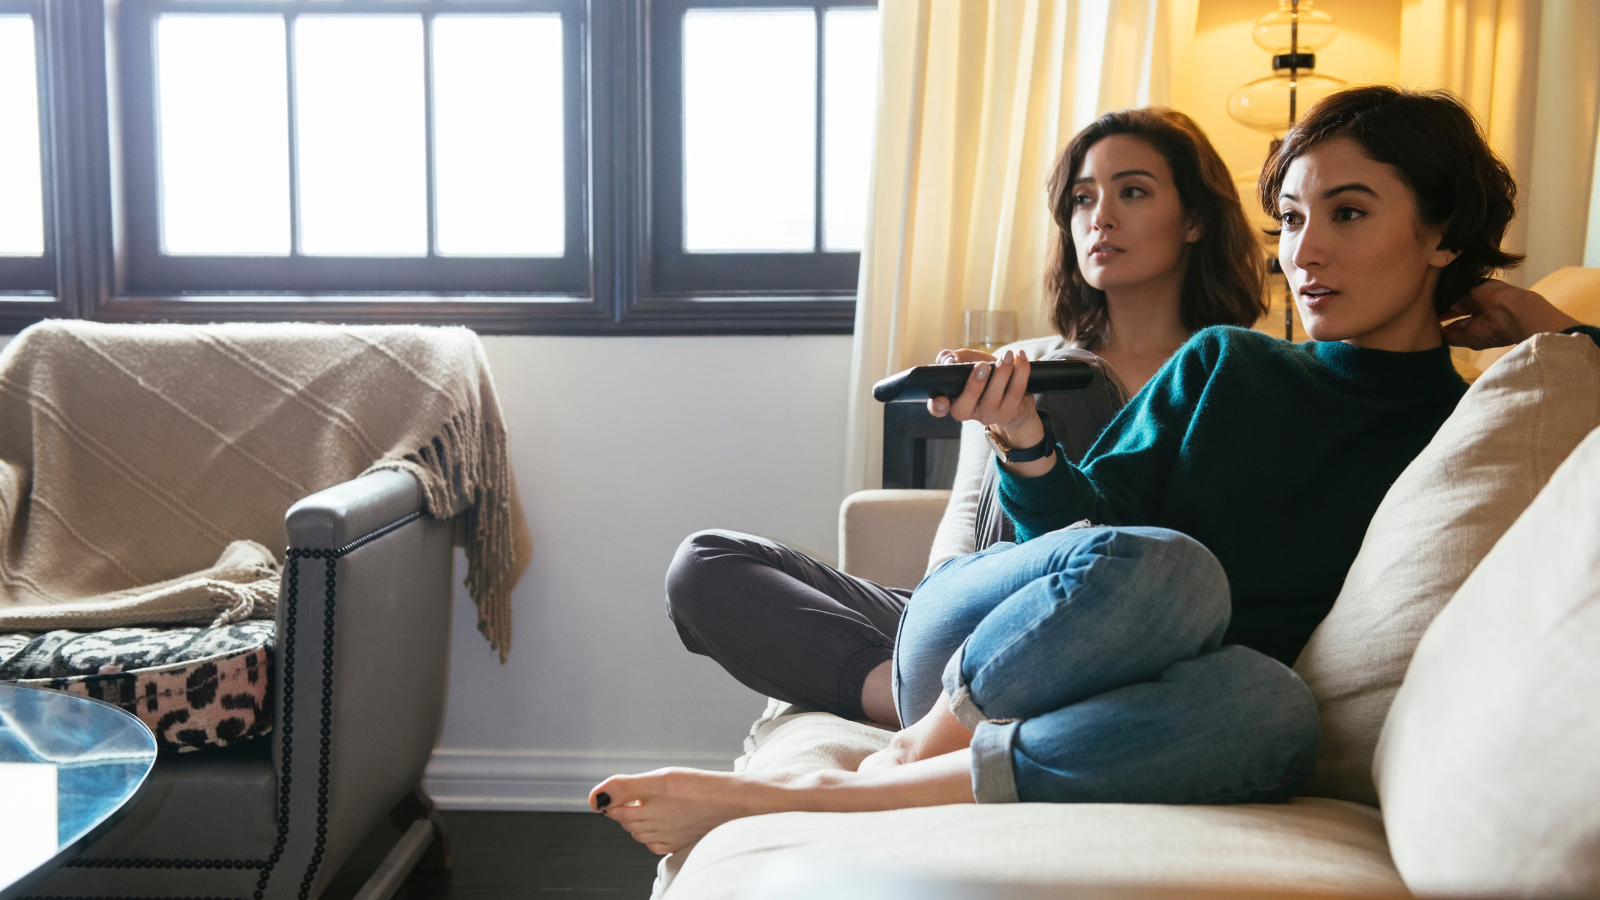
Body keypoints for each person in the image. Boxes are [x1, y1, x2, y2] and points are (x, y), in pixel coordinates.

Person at [592, 86, 1599, 856]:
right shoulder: (1227, 363)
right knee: (1175, 568)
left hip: (1150, 697)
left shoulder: (1471, 420)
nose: (1305, 253)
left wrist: (1566, 336)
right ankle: (905, 747)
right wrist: (1026, 443)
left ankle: (845, 794)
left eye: (1345, 214)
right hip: (1007, 642)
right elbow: (1086, 541)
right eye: (1289, 219)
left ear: (1441, 236)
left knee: (1274, 714)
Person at [665, 108, 1267, 732]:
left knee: (1079, 392)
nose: (1100, 217)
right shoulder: (1028, 368)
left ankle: (948, 698)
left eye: (1132, 192)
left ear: (1195, 219)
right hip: (972, 605)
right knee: (704, 564)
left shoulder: (1226, 374)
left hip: (1099, 620)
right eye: (1082, 199)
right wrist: (995, 427)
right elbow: (956, 558)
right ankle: (920, 704)